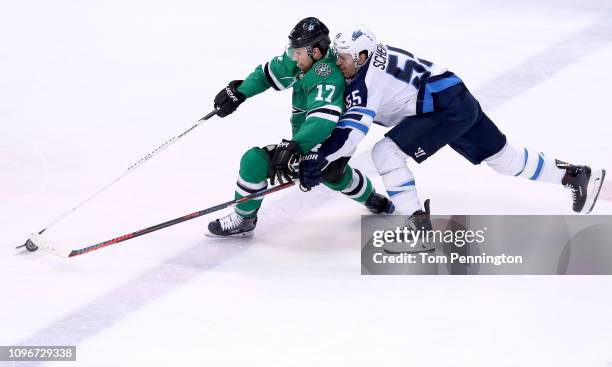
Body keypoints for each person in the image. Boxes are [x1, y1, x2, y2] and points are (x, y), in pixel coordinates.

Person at [299, 25, 606, 232]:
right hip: (455, 98)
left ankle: (416, 226)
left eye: (343, 58)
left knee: (386, 152)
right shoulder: (373, 55)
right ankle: (575, 175)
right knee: (505, 160)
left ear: (363, 56)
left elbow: (352, 133)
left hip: (444, 108)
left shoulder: (366, 81)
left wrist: (320, 156)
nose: (338, 63)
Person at [207, 18, 394, 238]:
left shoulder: (328, 76)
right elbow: (268, 73)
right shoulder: (302, 59)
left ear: (315, 52)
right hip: (318, 143)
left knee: (255, 161)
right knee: (336, 175)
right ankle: (372, 199)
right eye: (292, 50)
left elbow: (321, 121)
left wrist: (294, 146)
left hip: (325, 144)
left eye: (298, 52)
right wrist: (240, 93)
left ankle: (244, 218)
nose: (293, 57)